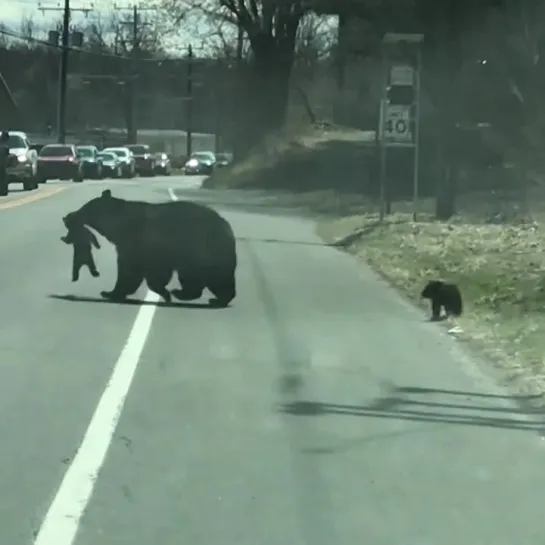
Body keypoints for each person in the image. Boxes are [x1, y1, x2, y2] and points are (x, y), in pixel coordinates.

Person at [0, 131, 10, 196]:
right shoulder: (5, 147)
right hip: (3, 165)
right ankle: (3, 191)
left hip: (3, 164)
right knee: (3, 178)